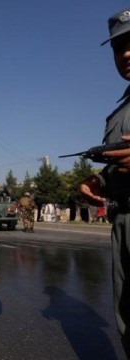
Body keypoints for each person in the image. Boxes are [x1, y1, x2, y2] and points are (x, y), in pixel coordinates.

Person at [78, 7, 130, 356]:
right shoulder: (118, 112)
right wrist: (98, 181)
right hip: (123, 220)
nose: (125, 53)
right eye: (118, 46)